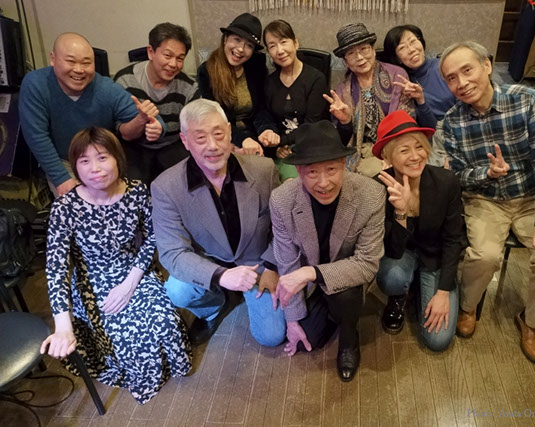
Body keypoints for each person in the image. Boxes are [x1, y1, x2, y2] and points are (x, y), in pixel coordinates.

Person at [439, 41, 535, 363]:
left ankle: (532, 321)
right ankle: (469, 307)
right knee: (483, 256)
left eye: (467, 70)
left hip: (530, 198)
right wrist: (487, 173)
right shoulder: (453, 121)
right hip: (485, 199)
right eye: (451, 78)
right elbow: (458, 176)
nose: (461, 83)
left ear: (487, 65)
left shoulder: (526, 100)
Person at [40, 127, 191, 405]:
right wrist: (62, 325)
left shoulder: (136, 190)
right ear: (75, 166)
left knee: (165, 322)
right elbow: (56, 268)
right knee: (129, 337)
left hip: (134, 271)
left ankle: (170, 365)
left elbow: (153, 236)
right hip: (92, 281)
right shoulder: (65, 208)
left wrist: (130, 283)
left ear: (117, 158)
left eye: (102, 157)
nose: (95, 168)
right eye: (84, 161)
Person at [151, 99, 285, 347]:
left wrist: (271, 265)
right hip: (208, 261)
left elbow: (282, 227)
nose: (212, 146)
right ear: (185, 141)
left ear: (229, 133)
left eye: (218, 134)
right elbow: (172, 253)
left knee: (272, 336)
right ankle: (214, 306)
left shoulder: (264, 170)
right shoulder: (165, 187)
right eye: (200, 138)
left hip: (257, 262)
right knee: (177, 291)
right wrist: (220, 276)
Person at [269, 120, 385, 382]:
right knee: (308, 339)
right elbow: (287, 263)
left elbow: (367, 263)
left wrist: (311, 273)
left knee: (346, 298)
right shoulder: (281, 200)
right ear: (299, 171)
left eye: (331, 169)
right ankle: (330, 311)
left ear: (344, 164)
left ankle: (349, 339)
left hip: (347, 278)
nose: (324, 183)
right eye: (312, 172)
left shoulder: (371, 195)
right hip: (309, 282)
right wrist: (292, 320)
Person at [19, 32, 165, 196]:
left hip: (103, 158)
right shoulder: (36, 84)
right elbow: (37, 136)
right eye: (71, 61)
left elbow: (150, 117)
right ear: (53, 59)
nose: (79, 70)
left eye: (86, 63)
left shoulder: (106, 88)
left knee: (119, 200)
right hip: (64, 161)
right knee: (75, 204)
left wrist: (156, 125)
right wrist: (61, 179)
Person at [372, 110, 465, 351]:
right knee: (392, 278)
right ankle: (399, 295)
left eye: (420, 147)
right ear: (387, 156)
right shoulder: (377, 187)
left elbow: (454, 239)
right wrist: (401, 212)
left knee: (438, 340)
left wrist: (443, 292)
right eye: (404, 150)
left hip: (436, 258)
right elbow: (392, 250)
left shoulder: (446, 182)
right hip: (401, 255)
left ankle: (424, 288)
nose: (415, 156)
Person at [324, 23, 435, 177]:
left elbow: (405, 119)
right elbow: (341, 141)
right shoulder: (342, 91)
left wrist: (390, 154)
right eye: (351, 53)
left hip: (396, 145)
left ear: (373, 50)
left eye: (364, 49)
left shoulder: (397, 75)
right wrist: (345, 122)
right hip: (361, 153)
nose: (360, 57)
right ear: (345, 61)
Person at [114, 22, 199, 183]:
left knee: (187, 181)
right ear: (151, 52)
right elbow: (124, 133)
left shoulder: (189, 87)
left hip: (173, 145)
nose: (173, 64)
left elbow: (194, 129)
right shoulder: (125, 80)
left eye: (180, 58)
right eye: (167, 55)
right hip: (135, 147)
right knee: (130, 187)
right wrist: (141, 120)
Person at [197, 13, 277, 157]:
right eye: (237, 39)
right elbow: (215, 118)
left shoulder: (256, 66)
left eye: (249, 45)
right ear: (225, 39)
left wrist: (266, 129)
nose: (240, 49)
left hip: (253, 133)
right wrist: (242, 139)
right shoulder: (207, 71)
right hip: (223, 135)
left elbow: (261, 107)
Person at [263, 19, 329, 180]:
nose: (279, 50)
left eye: (283, 42)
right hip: (279, 151)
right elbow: (268, 118)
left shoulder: (316, 79)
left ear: (296, 43)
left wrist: (280, 141)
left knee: (291, 182)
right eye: (272, 46)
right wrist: (276, 147)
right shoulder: (269, 82)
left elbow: (311, 124)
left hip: (309, 148)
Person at [383, 25, 458, 166]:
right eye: (402, 48)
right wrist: (420, 100)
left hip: (459, 131)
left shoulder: (444, 67)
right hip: (434, 141)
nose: (411, 49)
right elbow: (431, 128)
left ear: (421, 42)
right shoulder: (403, 83)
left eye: (413, 41)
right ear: (397, 58)